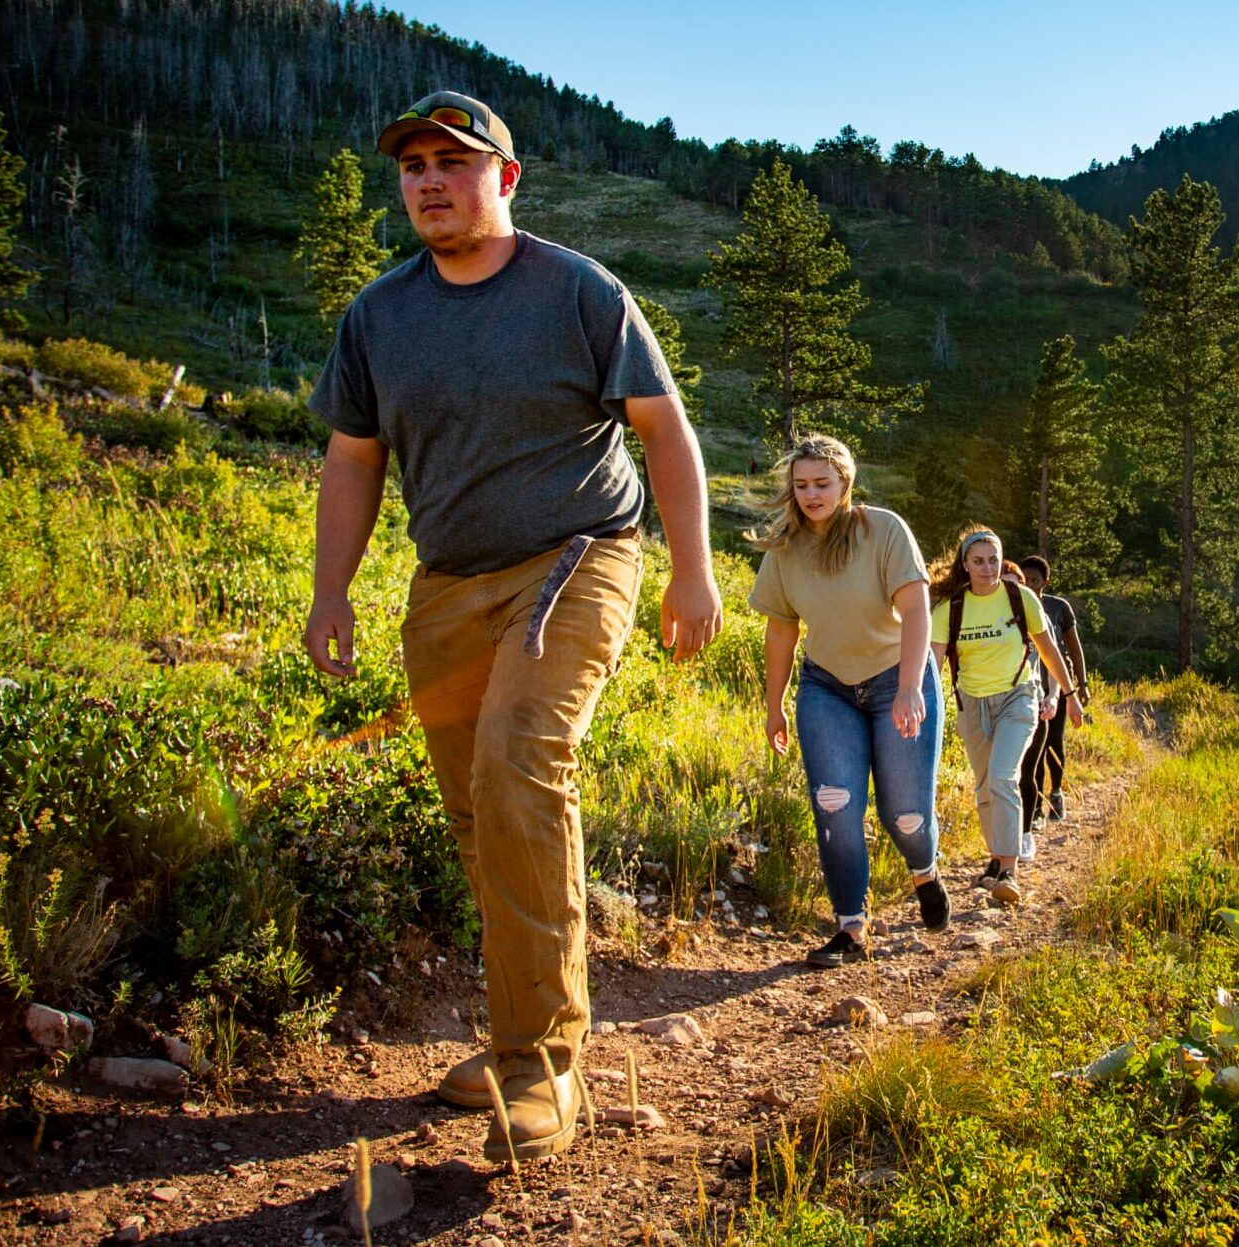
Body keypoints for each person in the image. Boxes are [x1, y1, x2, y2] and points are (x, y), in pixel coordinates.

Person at [303, 89, 722, 1163]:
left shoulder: (579, 291)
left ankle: (544, 1064)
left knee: (520, 763)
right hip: (447, 584)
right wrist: (330, 589)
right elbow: (354, 462)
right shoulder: (378, 315)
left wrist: (694, 572)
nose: (430, 180)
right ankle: (514, 1036)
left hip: (578, 558)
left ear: (507, 178)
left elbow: (665, 434)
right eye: (412, 166)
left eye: (453, 160)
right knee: (477, 815)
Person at [750, 435, 949, 968]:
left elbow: (916, 609)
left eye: (822, 483)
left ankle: (924, 870)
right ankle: (850, 928)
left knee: (904, 816)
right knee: (835, 803)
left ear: (845, 483)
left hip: (895, 679)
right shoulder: (785, 546)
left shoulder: (881, 529)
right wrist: (774, 705)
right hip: (827, 688)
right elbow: (780, 632)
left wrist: (910, 686)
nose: (811, 494)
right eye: (801, 485)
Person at [929, 528, 1081, 903]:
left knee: (1002, 777)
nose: (987, 568)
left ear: (1001, 559)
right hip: (971, 703)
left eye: (993, 560)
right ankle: (995, 860)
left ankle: (1009, 870)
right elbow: (930, 667)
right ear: (964, 564)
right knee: (984, 787)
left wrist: (1070, 694)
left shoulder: (1021, 598)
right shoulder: (951, 609)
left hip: (1018, 697)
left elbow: (1049, 651)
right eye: (978, 561)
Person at [1018, 555, 1091, 842]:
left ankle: (1057, 792)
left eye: (1035, 580)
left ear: (1045, 582)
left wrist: (1080, 684)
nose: (1030, 585)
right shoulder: (1013, 604)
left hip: (1058, 682)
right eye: (1026, 580)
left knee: (1053, 741)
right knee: (1031, 747)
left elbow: (1074, 646)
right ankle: (1035, 806)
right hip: (1029, 683)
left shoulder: (1059, 608)